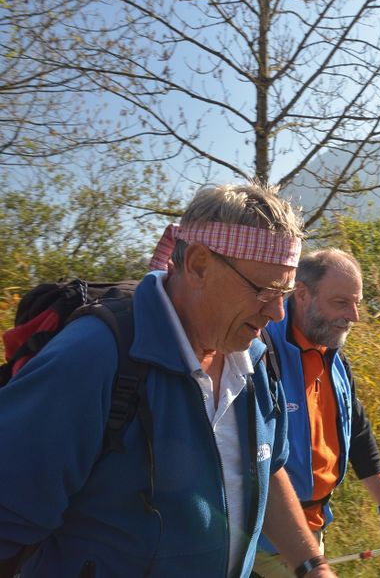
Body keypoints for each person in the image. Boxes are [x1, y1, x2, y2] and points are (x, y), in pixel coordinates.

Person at [0, 184, 336, 577]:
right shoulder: (93, 357)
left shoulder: (256, 359)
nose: (278, 313)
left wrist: (312, 566)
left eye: (285, 293)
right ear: (198, 265)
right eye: (264, 290)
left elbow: (266, 469)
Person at [254, 248, 380, 577]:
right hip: (261, 539)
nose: (354, 316)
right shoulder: (261, 353)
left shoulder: (333, 356)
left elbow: (359, 432)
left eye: (356, 303)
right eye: (341, 302)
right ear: (302, 294)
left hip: (313, 528)